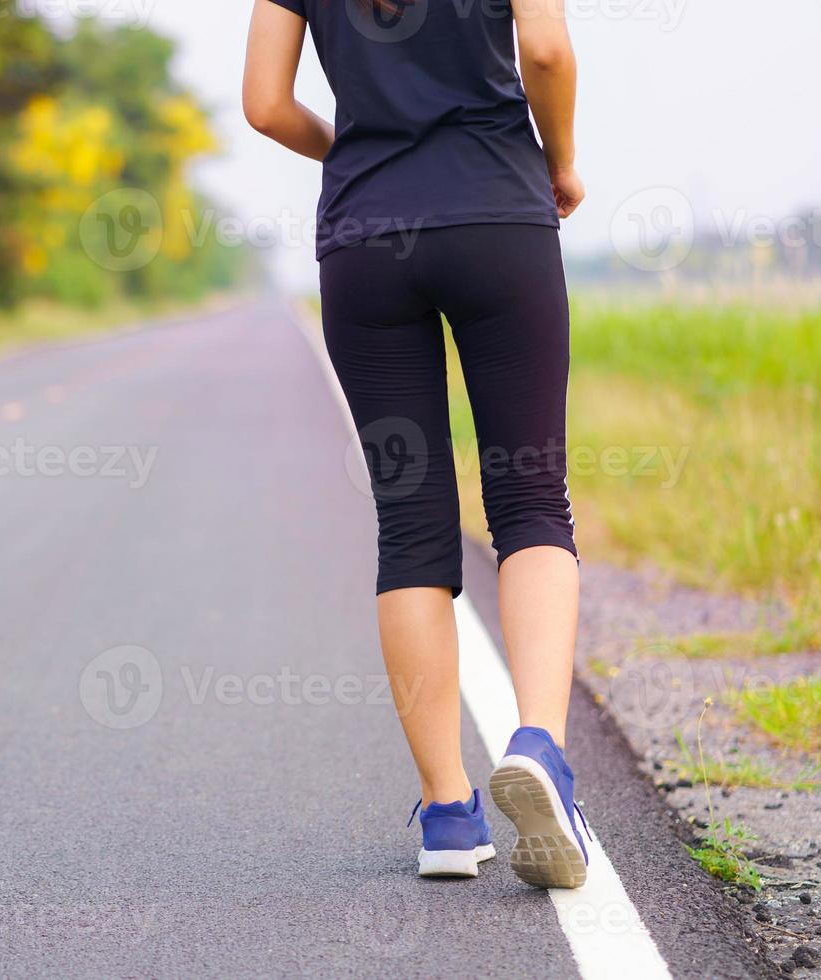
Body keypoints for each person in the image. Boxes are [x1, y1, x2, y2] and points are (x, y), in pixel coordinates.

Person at [243, 0, 590, 887]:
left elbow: (264, 105)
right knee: (530, 501)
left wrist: (359, 149)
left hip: (364, 239)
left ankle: (446, 813)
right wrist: (562, 165)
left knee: (411, 527)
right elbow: (545, 50)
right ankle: (539, 749)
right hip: (496, 216)